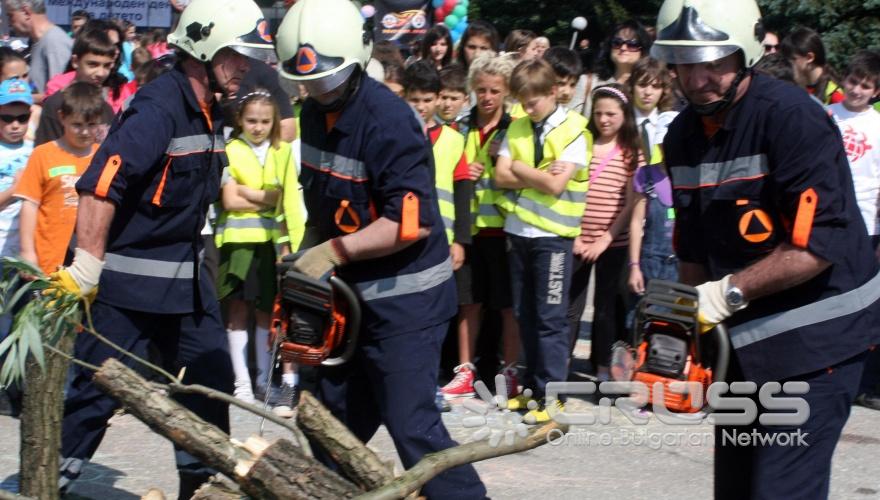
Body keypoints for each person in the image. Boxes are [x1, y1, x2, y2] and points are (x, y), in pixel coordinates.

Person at [651, 1, 880, 498]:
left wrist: (724, 295)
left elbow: (816, 246)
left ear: (746, 54)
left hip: (818, 340)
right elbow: (692, 248)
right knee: (735, 490)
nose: (696, 79)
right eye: (684, 63)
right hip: (744, 348)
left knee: (781, 491)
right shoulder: (682, 136)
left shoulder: (792, 119)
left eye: (712, 62)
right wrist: (688, 334)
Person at [48, 0, 276, 497]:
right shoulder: (159, 108)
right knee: (93, 393)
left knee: (210, 385)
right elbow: (100, 183)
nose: (245, 67)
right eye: (236, 55)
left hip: (187, 289)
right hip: (126, 291)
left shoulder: (212, 110)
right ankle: (47, 483)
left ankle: (203, 488)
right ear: (203, 50)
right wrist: (87, 264)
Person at [274, 0, 487, 497]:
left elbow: (406, 224)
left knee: (411, 426)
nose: (316, 91)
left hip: (406, 303)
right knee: (327, 426)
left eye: (326, 81)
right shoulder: (310, 116)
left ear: (356, 60)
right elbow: (323, 203)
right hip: (350, 302)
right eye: (306, 83)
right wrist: (307, 262)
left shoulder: (388, 120)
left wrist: (331, 254)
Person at [494, 58, 590, 423]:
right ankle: (532, 390)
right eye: (521, 101)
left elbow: (555, 184)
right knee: (525, 316)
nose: (527, 108)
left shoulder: (575, 130)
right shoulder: (517, 126)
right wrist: (527, 170)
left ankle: (554, 397)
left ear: (553, 92)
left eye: (533, 101)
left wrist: (517, 168)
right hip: (519, 233)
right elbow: (500, 176)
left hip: (554, 238)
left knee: (550, 319)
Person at [441, 53, 519, 400]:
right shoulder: (459, 127)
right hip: (468, 229)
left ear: (506, 93)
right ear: (472, 90)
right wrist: (467, 169)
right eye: (482, 90)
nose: (487, 97)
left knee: (506, 305)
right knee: (467, 302)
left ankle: (510, 370)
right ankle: (465, 370)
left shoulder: (516, 127)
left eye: (495, 91)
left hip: (504, 228)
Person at [215, 89, 292, 410]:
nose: (258, 127)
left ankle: (262, 379)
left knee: (264, 313)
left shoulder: (281, 151)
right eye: (251, 121)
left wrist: (248, 192)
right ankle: (241, 383)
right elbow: (229, 200)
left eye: (264, 121)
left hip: (269, 244)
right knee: (237, 312)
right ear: (240, 121)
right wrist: (264, 195)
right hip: (237, 243)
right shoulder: (230, 150)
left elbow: (283, 197)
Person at [567, 84, 642, 380]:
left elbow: (629, 205)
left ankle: (602, 370)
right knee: (571, 308)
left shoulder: (631, 153)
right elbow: (569, 192)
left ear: (624, 114)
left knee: (606, 308)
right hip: (577, 238)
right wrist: (575, 235)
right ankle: (562, 366)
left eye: (611, 113)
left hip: (614, 242)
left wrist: (605, 239)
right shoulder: (581, 144)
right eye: (598, 113)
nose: (604, 119)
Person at [827, 50, 880, 411]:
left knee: (865, 305)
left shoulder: (877, 128)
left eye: (865, 85)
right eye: (853, 81)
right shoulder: (825, 115)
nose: (857, 90)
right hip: (830, 218)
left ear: (876, 91)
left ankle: (866, 380)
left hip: (867, 224)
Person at [15, 82, 101, 275]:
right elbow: (29, 205)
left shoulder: (103, 157)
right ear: (62, 117)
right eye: (77, 125)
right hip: (48, 261)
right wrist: (27, 252)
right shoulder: (43, 155)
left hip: (87, 265)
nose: (85, 132)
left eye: (92, 124)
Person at [626, 58, 679, 299]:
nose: (648, 92)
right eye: (642, 84)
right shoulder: (622, 121)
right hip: (624, 212)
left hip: (655, 217)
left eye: (655, 86)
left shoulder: (668, 123)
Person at [35, 28, 117, 146]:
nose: (101, 73)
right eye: (93, 64)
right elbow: (46, 156)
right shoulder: (56, 104)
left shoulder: (106, 108)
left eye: (107, 66)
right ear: (75, 61)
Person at [577, 20, 652, 118]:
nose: (623, 48)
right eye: (617, 42)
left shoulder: (648, 89)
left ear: (643, 50)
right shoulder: (588, 82)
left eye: (632, 44)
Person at [3, 0, 73, 93]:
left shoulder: (55, 42)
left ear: (26, 12)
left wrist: (20, 97)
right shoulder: (35, 42)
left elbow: (59, 94)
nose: (9, 23)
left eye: (11, 16)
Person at [781, 27, 845, 105]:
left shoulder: (835, 96)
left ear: (809, 57)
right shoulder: (796, 86)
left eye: (793, 59)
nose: (789, 63)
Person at [543, 46, 583, 111]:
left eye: (572, 85)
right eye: (561, 84)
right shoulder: (523, 113)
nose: (567, 92)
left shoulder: (580, 121)